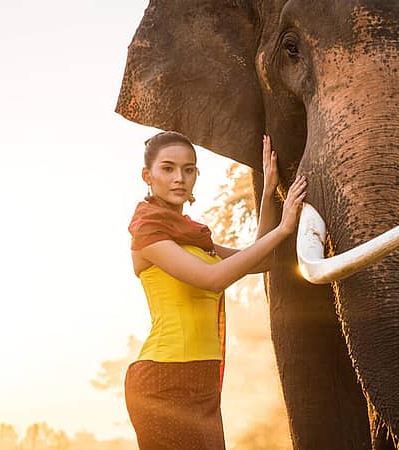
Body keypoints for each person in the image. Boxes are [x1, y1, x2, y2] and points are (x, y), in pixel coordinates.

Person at [124, 131, 306, 450]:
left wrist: (267, 194)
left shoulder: (195, 239)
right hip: (163, 383)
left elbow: (260, 260)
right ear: (147, 176)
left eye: (189, 169)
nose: (179, 178)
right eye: (167, 168)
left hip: (202, 380)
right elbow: (213, 279)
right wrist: (283, 229)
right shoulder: (147, 233)